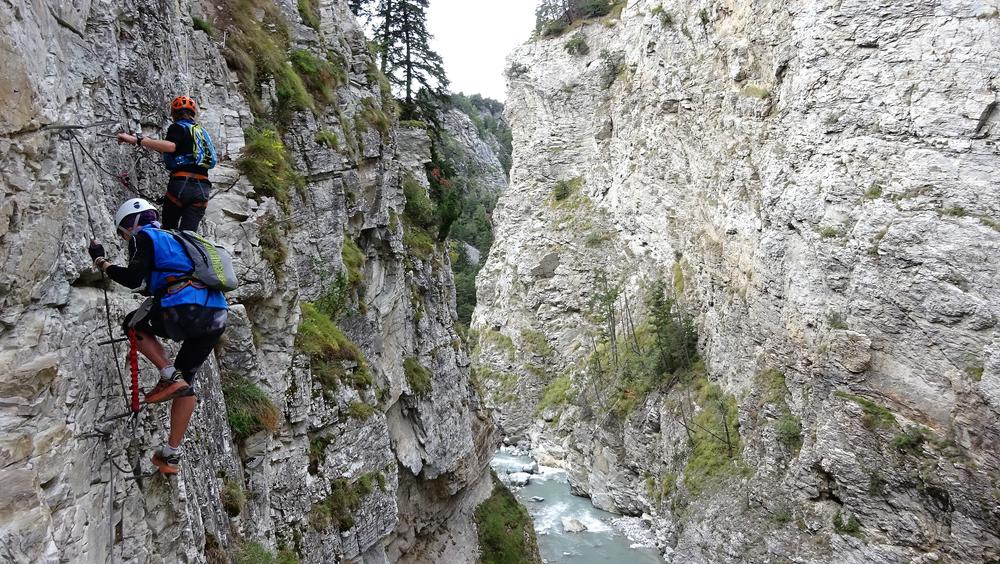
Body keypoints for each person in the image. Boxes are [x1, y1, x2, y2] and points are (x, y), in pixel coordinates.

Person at [88, 198, 228, 474]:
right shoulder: (179, 239)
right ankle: (171, 454)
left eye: (122, 231)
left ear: (131, 222)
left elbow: (134, 280)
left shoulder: (145, 236)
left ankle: (168, 374)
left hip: (186, 306)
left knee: (133, 325)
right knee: (186, 385)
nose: (125, 236)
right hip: (217, 313)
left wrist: (101, 261)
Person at [116, 96, 217, 232]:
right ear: (193, 113)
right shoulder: (201, 133)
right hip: (202, 190)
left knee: (169, 231)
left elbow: (170, 147)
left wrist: (137, 140)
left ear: (174, 114)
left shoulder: (178, 127)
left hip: (182, 184)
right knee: (189, 236)